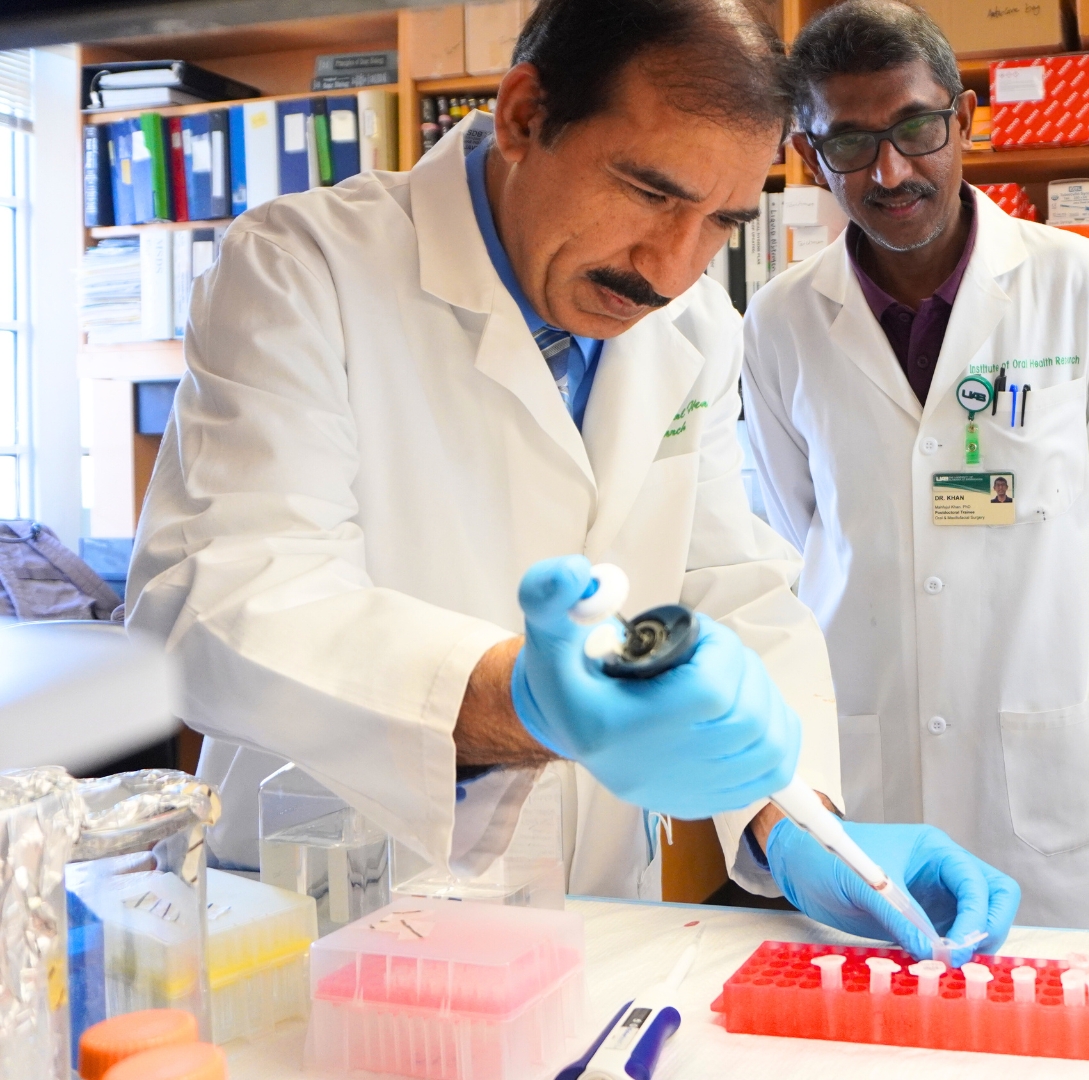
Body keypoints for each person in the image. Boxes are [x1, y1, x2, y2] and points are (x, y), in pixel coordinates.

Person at [127, 0, 1013, 963]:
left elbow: (729, 583)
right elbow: (216, 600)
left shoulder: (697, 327)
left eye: (718, 222)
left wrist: (798, 818)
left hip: (590, 917)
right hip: (342, 907)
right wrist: (518, 700)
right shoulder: (305, 269)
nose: (671, 268)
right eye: (649, 193)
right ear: (522, 116)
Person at [742, 0, 1089, 931]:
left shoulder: (1074, 283)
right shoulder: (779, 321)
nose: (890, 170)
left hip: (1049, 760)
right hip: (873, 757)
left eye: (915, 128)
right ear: (809, 158)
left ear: (963, 118)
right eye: (848, 143)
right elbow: (791, 528)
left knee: (1079, 1032)